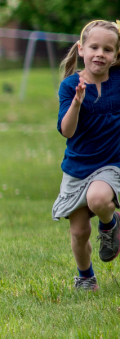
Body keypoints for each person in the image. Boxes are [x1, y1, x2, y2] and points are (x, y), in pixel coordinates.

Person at [53, 20, 120, 290]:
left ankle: (110, 226)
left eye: (108, 49)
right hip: (78, 168)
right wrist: (77, 104)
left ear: (116, 55)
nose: (100, 54)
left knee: (99, 197)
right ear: (81, 49)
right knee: (79, 232)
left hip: (112, 165)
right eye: (94, 47)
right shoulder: (70, 86)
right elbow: (67, 132)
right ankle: (85, 277)